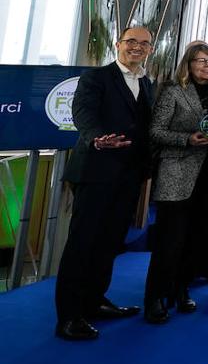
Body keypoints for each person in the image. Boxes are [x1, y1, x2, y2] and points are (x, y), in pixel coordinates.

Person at [54, 27, 155, 342]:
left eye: (143, 43)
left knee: (110, 243)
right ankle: (69, 317)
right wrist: (97, 138)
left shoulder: (148, 84)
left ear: (150, 49)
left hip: (129, 177)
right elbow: (83, 114)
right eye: (130, 42)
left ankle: (95, 301)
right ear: (118, 45)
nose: (136, 47)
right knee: (82, 244)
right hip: (95, 171)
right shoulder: (95, 77)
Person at [143, 42, 208, 323]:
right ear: (189, 64)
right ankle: (156, 296)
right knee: (171, 239)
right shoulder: (173, 90)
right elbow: (155, 131)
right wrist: (187, 139)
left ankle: (182, 290)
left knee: (199, 238)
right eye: (202, 60)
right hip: (177, 172)